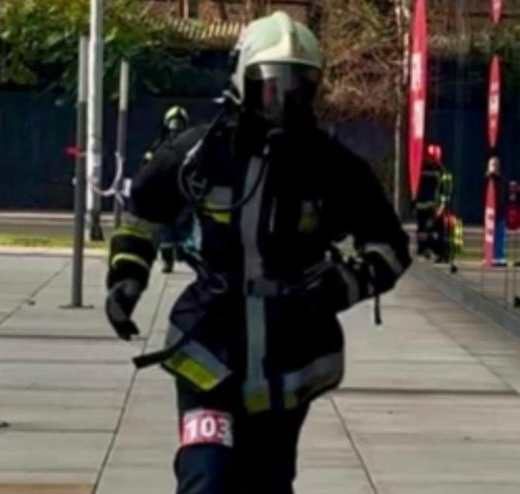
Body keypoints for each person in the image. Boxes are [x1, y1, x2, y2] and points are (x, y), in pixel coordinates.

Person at [104, 12, 411, 494]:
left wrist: (342, 284)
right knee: (205, 478)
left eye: (297, 86)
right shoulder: (197, 155)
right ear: (243, 82)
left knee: (268, 483)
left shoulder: (332, 168)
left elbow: (390, 246)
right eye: (270, 86)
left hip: (290, 358)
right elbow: (141, 213)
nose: (283, 99)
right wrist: (126, 278)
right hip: (208, 346)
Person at [143, 106, 192, 273]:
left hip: (180, 191)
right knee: (166, 227)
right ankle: (169, 258)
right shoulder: (163, 144)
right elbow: (148, 164)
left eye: (178, 123)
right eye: (173, 123)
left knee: (175, 226)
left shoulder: (163, 144)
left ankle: (173, 256)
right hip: (171, 191)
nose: (175, 127)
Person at [415, 144, 443, 258]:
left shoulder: (438, 170)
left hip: (431, 205)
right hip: (424, 204)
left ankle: (431, 249)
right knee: (423, 229)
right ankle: (423, 249)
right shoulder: (422, 168)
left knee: (432, 229)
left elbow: (441, 188)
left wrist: (441, 205)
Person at [486, 156, 507, 267]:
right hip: (490, 212)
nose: (493, 167)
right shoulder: (488, 179)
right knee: (490, 235)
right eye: (491, 165)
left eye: (494, 165)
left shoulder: (501, 179)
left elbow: (504, 193)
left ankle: (500, 256)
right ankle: (491, 255)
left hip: (500, 211)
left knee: (500, 234)